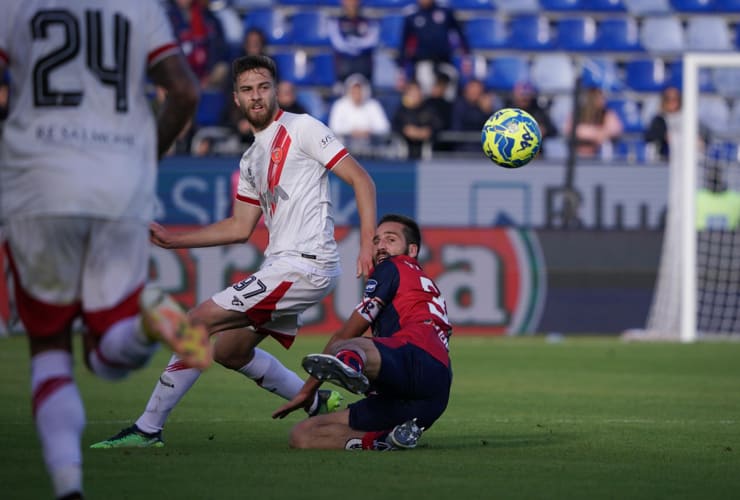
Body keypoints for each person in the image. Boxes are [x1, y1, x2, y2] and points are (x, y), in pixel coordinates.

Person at [90, 54, 378, 450]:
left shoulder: (303, 128)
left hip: (304, 265)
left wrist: (366, 243)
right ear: (237, 99)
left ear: (275, 90)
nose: (256, 96)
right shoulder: (250, 158)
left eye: (263, 87)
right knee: (230, 349)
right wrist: (175, 240)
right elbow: (239, 228)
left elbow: (362, 180)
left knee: (196, 323)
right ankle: (318, 401)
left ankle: (147, 429)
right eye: (247, 90)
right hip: (283, 265)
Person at [0, 1, 209, 498]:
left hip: (40, 181)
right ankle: (146, 321)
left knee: (50, 350)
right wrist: (143, 161)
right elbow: (184, 91)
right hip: (116, 180)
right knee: (109, 348)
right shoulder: (137, 6)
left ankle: (68, 485)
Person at [273, 214, 453, 451]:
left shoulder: (394, 265)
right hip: (428, 395)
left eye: (390, 239)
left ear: (411, 250)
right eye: (376, 241)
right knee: (304, 435)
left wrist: (308, 390)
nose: (380, 247)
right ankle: (383, 441)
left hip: (415, 358)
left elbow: (346, 334)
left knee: (344, 346)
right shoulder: (418, 283)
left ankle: (353, 368)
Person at [398, 0, 472, 97]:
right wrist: (401, 70)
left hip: (445, 60)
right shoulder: (411, 14)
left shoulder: (445, 10)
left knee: (450, 93)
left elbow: (460, 34)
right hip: (423, 62)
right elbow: (404, 44)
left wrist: (466, 57)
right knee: (427, 93)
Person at [328, 73, 391, 157]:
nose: (357, 94)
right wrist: (352, 132)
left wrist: (369, 131)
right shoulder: (339, 105)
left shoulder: (373, 105)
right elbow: (334, 127)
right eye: (354, 91)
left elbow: (384, 127)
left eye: (359, 91)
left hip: (371, 150)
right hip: (346, 151)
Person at [563, 86, 624, 159]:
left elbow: (616, 129)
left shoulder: (606, 113)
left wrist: (599, 134)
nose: (603, 101)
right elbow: (570, 130)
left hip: (598, 153)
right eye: (599, 98)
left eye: (603, 98)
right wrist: (596, 133)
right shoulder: (578, 113)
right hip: (578, 154)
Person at [328, 0, 379, 84]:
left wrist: (356, 43)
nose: (351, 3)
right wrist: (351, 47)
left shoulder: (369, 21)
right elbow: (338, 44)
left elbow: (372, 41)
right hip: (343, 69)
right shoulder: (335, 22)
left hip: (364, 68)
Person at [392, 80, 444, 159]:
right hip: (404, 152)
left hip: (427, 153)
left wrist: (426, 132)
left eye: (417, 92)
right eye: (412, 92)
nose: (414, 95)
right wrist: (406, 131)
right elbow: (395, 126)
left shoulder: (429, 108)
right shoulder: (401, 110)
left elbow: (438, 125)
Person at [644, 86, 681, 162]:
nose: (671, 102)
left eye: (674, 99)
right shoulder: (659, 120)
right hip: (665, 160)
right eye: (668, 99)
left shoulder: (688, 120)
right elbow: (650, 137)